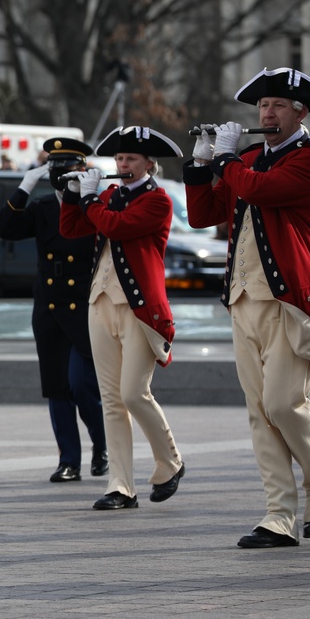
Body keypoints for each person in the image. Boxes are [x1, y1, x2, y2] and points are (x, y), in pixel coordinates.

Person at [182, 67, 310, 549]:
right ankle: (278, 515)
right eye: (262, 106)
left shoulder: (306, 158)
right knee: (261, 412)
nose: (266, 113)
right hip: (244, 298)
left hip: (289, 301)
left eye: (277, 105)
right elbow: (203, 215)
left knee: (285, 405)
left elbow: (261, 190)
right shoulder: (251, 157)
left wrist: (227, 157)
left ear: (300, 113)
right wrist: (200, 165)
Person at [59, 125, 186, 511]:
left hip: (139, 307)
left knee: (134, 393)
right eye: (119, 158)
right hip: (100, 301)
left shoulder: (158, 200)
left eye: (131, 159)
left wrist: (92, 197)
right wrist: (70, 194)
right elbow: (70, 229)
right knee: (112, 400)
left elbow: (117, 225)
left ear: (150, 164)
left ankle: (170, 461)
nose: (123, 164)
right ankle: (121, 486)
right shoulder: (110, 194)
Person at [0, 138, 107, 483]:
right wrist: (25, 185)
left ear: (82, 170)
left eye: (69, 169)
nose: (62, 177)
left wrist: (86, 194)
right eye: (56, 170)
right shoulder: (43, 207)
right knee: (57, 386)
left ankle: (102, 445)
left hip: (86, 304)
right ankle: (68, 460)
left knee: (81, 384)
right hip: (50, 305)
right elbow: (5, 229)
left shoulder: (95, 205)